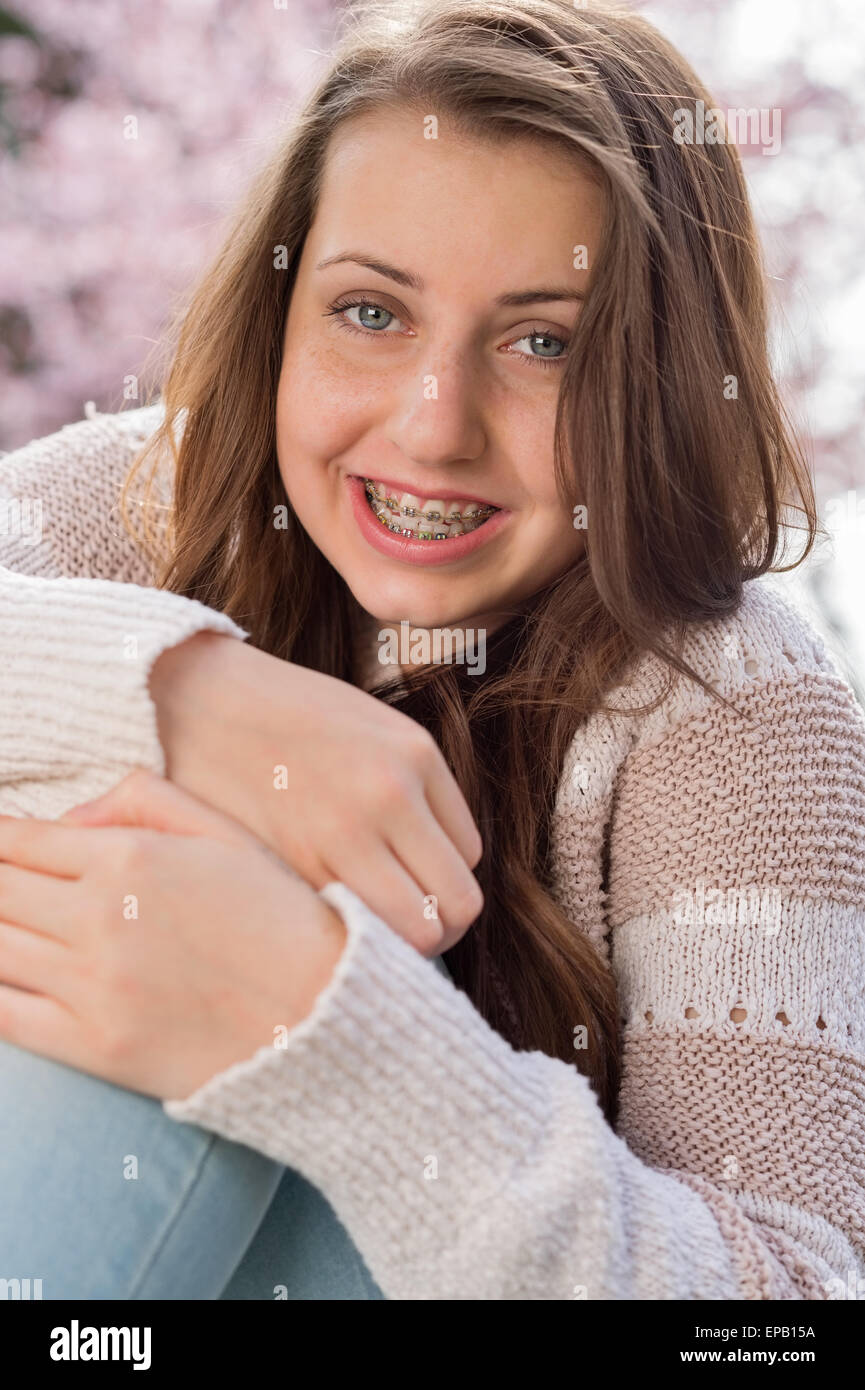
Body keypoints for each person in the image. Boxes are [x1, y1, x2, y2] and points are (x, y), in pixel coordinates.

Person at [0, 0, 863, 1301]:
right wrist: (184, 694)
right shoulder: (129, 512)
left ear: (654, 383)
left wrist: (318, 1026)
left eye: (541, 344)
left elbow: (786, 1314)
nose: (433, 425)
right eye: (368, 312)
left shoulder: (729, 706)